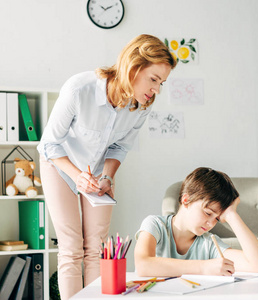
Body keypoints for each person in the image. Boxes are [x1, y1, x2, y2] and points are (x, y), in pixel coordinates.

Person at [37, 34, 177, 299]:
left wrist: (108, 178)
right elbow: (49, 144)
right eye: (154, 79)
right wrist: (77, 176)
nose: (157, 90)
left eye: (162, 83)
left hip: (99, 171)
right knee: (71, 247)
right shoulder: (79, 89)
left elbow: (119, 147)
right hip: (60, 166)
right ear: (134, 67)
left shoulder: (142, 105)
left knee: (96, 247)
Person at [134, 167, 258, 277]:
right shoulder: (155, 225)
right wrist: (204, 267)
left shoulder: (209, 244)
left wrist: (231, 215)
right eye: (208, 213)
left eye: (217, 219)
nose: (211, 224)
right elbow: (143, 265)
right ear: (186, 200)